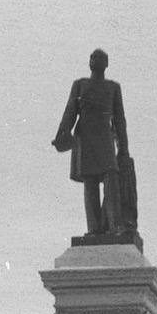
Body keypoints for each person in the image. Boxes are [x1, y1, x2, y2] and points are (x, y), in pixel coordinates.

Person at [53, 49, 129, 235]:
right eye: (92, 57)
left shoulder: (113, 87)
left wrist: (123, 149)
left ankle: (115, 226)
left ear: (106, 63)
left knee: (111, 179)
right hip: (85, 137)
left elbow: (119, 120)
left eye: (99, 58)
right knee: (91, 183)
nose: (95, 60)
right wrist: (62, 132)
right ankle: (93, 228)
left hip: (105, 136)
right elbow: (70, 111)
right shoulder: (80, 85)